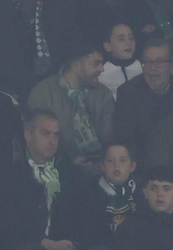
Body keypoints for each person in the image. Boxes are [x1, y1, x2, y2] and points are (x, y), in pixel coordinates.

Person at [0, 111, 91, 250]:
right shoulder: (6, 170)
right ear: (27, 134)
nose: (52, 141)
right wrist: (45, 244)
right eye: (45, 133)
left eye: (56, 135)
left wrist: (72, 247)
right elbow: (3, 221)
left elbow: (82, 215)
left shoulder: (69, 172)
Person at [28, 42, 115, 172]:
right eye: (95, 64)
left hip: (101, 167)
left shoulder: (103, 93)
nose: (102, 69)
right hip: (57, 169)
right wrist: (68, 160)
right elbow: (35, 141)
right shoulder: (42, 93)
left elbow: (111, 135)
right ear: (75, 66)